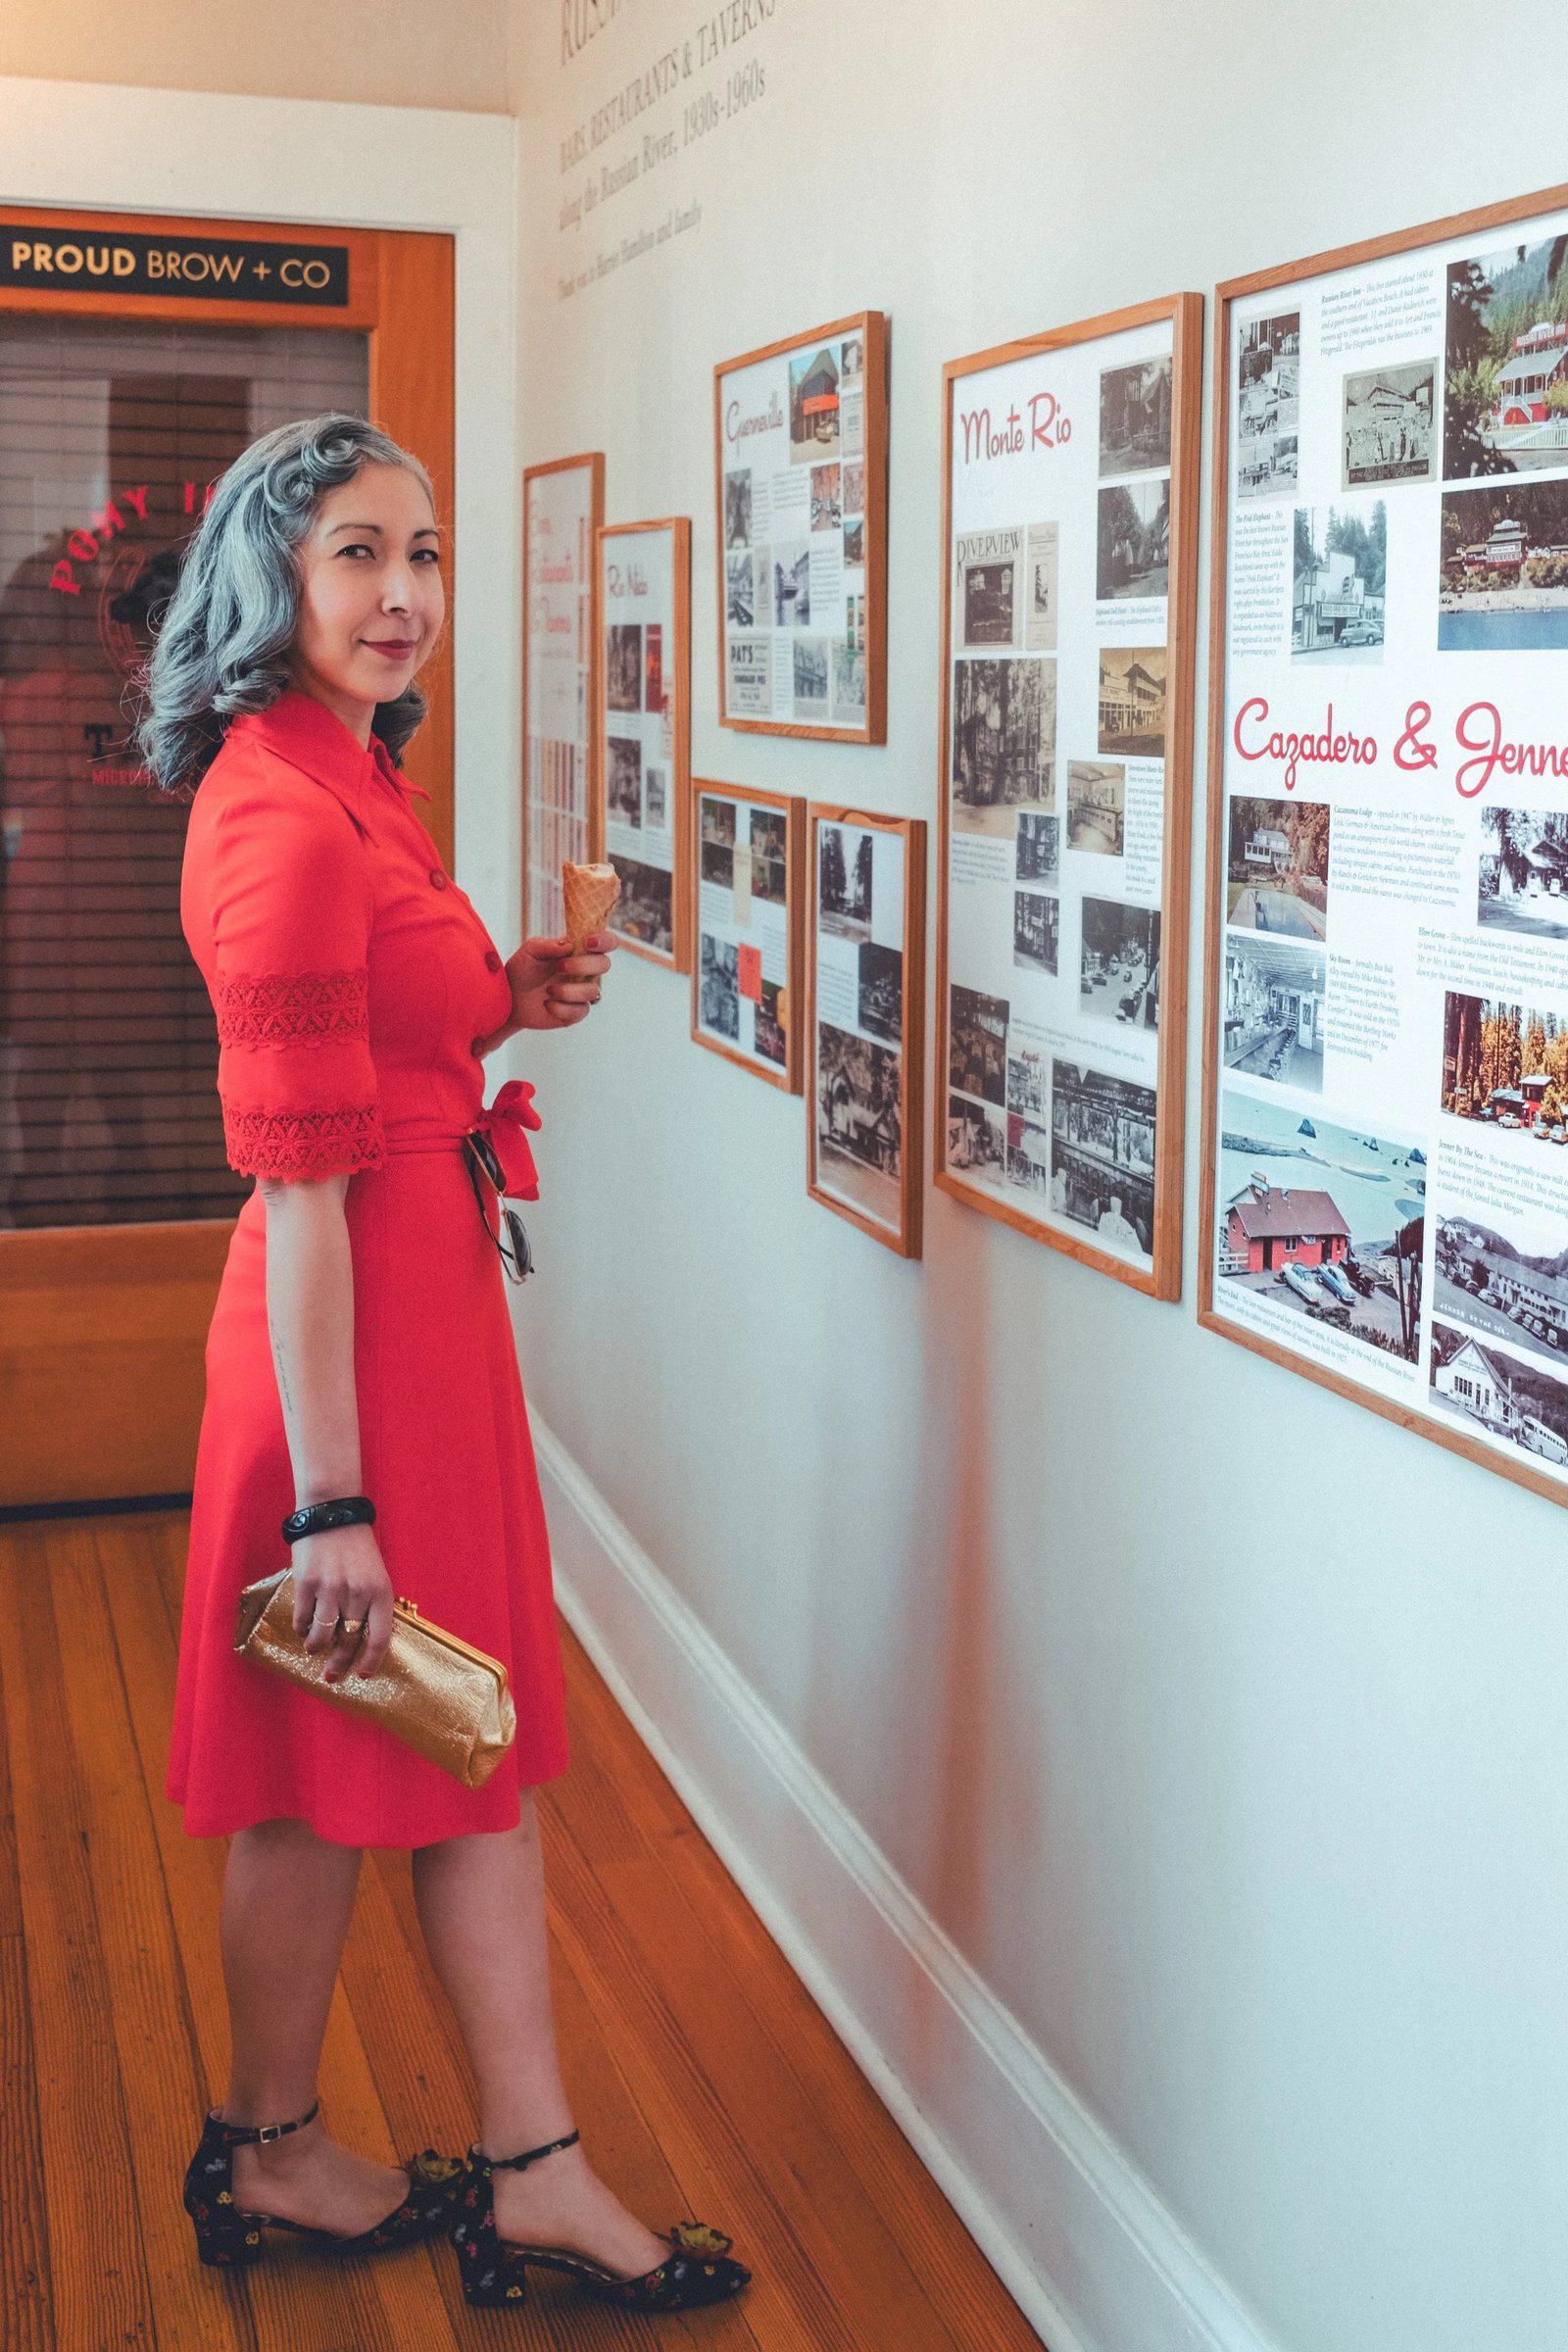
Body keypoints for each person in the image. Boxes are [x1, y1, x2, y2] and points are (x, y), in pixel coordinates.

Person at [139, 415, 749, 2317]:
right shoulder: (272, 819)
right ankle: (490, 2168)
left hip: (412, 1314)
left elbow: (388, 1038)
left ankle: (315, 2152)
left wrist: (499, 998)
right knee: (382, 1739)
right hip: (353, 1355)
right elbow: (301, 1196)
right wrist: (333, 1500)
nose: (403, 593)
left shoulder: (345, 777)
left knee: (388, 1750)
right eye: (354, 554)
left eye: (421, 553)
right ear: (271, 577)